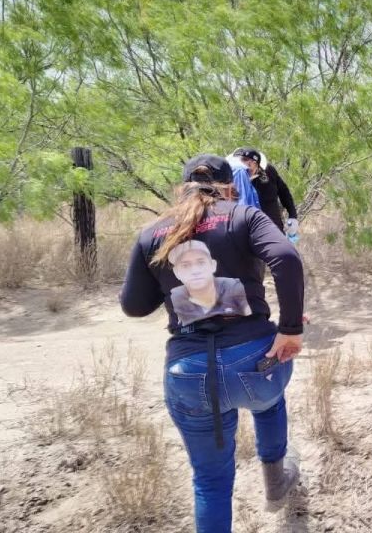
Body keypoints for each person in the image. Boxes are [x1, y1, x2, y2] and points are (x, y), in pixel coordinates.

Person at [120, 154, 305, 531]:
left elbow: (134, 306)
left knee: (210, 482)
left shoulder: (153, 232)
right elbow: (286, 256)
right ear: (230, 186)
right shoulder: (242, 215)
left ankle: (271, 483)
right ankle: (275, 482)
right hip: (255, 362)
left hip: (189, 373)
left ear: (182, 188)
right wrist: (290, 329)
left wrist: (171, 285)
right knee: (268, 396)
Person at [232, 148, 299, 238]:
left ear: (255, 163)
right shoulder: (232, 180)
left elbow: (283, 191)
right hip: (249, 234)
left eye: (251, 163)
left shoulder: (268, 171)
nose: (247, 168)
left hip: (275, 229)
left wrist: (292, 215)